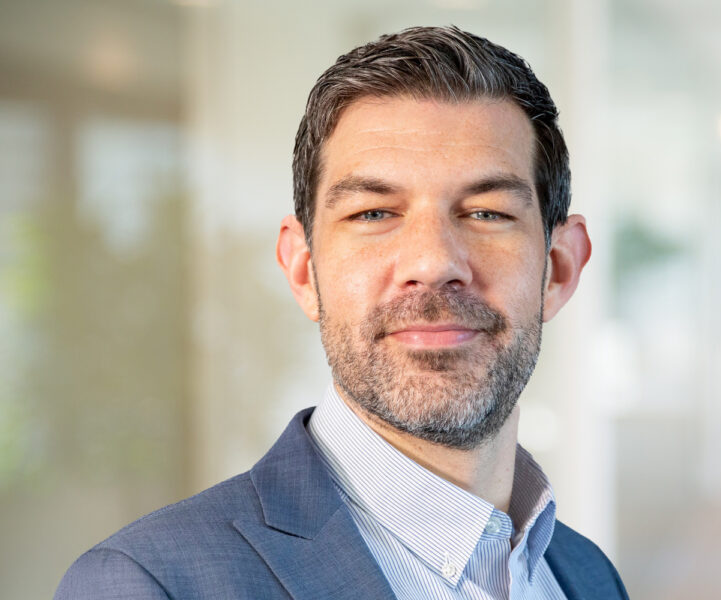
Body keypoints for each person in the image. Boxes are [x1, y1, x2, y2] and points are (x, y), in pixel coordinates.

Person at [55, 26, 629, 599]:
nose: (432, 263)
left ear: (558, 268)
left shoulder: (588, 576)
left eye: (485, 213)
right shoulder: (146, 583)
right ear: (304, 269)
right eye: (374, 213)